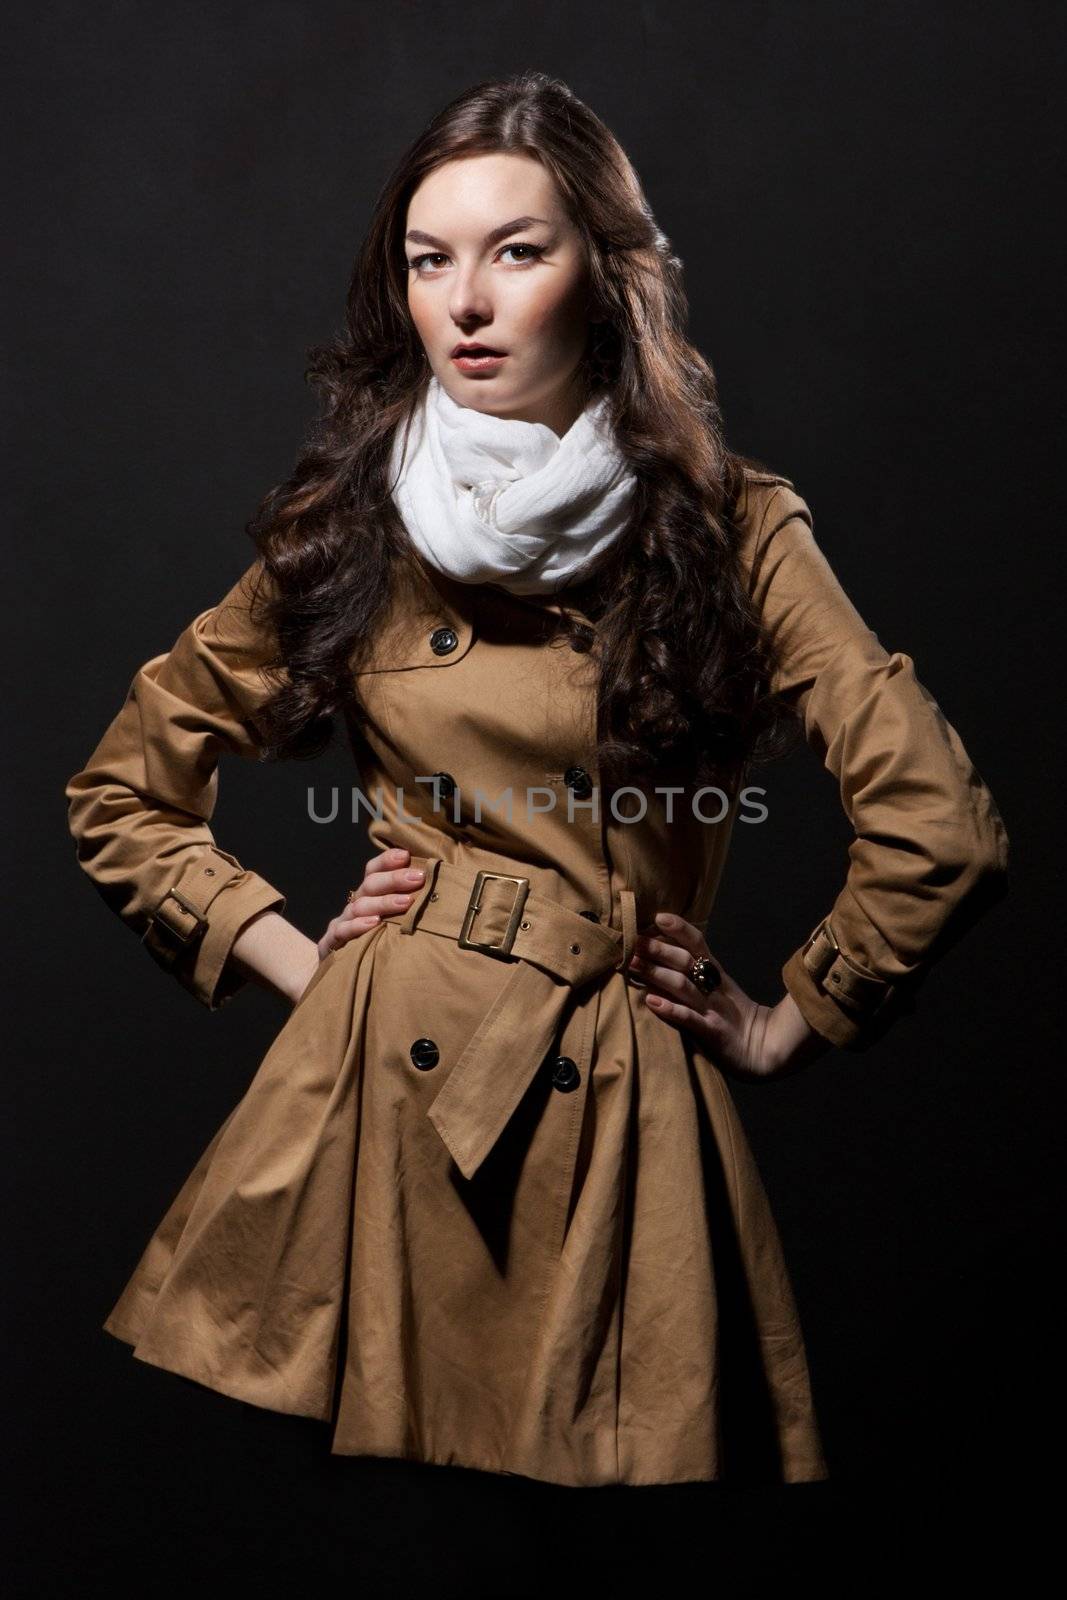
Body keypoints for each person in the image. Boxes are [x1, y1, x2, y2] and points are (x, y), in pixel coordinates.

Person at [64, 71, 1010, 1489]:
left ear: (608, 277)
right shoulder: (360, 521)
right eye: (428, 260)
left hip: (608, 1092)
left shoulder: (730, 526)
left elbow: (939, 826)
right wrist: (301, 962)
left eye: (517, 251)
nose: (467, 302)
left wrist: (787, 1022)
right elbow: (122, 792)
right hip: (374, 1093)